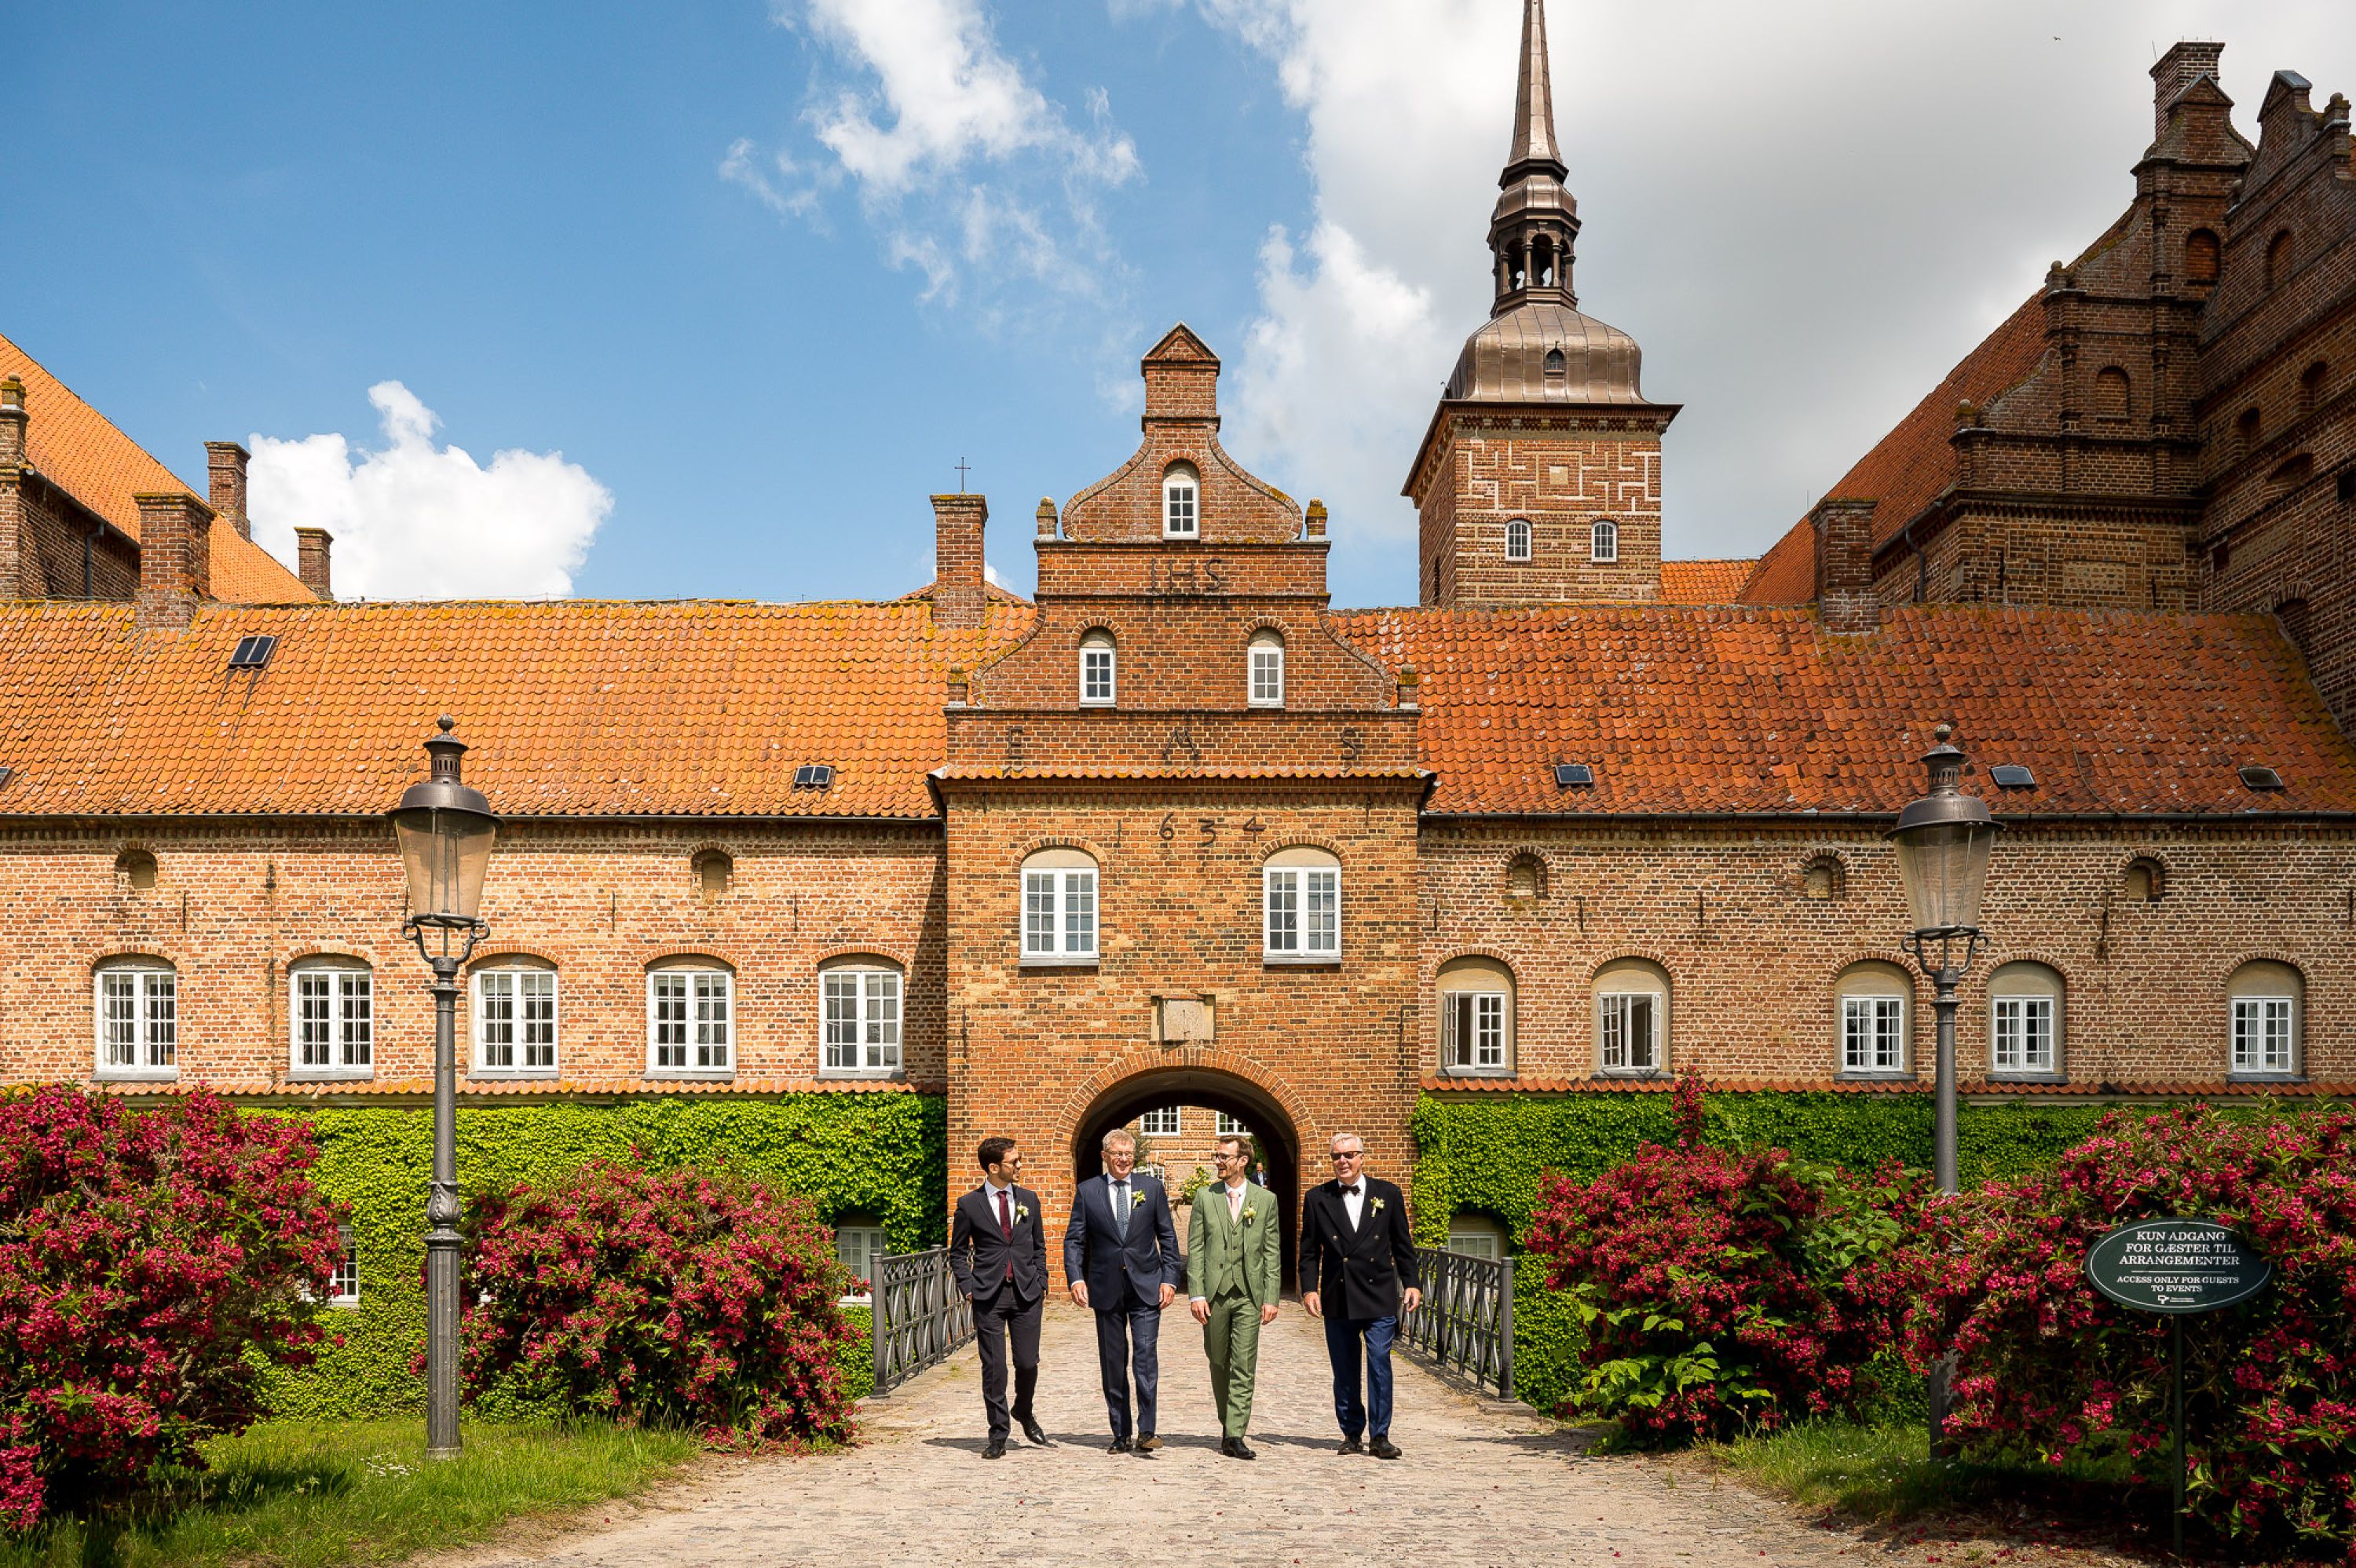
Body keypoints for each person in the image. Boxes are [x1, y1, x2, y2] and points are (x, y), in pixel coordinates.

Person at [1301, 1130, 1421, 1459]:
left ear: (1362, 1157)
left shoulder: (1389, 1194)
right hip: (1338, 1296)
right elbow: (1309, 1251)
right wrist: (1310, 1288)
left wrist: (1412, 1283)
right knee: (1345, 1367)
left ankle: (1380, 1435)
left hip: (1378, 1293)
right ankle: (1352, 1433)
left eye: (1349, 1155)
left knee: (1380, 1362)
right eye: (1336, 1156)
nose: (1342, 1161)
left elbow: (1403, 1245)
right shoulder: (1317, 1198)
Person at [1063, 1127, 1183, 1456]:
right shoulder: (1088, 1192)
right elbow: (1075, 1239)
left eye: (1128, 1154)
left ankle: (1147, 1430)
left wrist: (1169, 1279)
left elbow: (1168, 1238)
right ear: (1105, 1157)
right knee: (1113, 1363)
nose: (1123, 1160)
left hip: (1146, 1287)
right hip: (1105, 1288)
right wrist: (1076, 1278)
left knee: (1145, 1360)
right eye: (1117, 1154)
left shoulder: (1151, 1188)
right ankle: (1120, 1431)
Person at [947, 1135, 1050, 1459]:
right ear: (994, 1167)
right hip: (988, 1295)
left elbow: (1039, 1246)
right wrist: (968, 1287)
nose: (1020, 1165)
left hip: (1026, 1293)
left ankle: (1023, 1408)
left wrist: (1042, 1280)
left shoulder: (1030, 1200)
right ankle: (998, 1434)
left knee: (1027, 1363)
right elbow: (957, 1253)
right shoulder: (969, 1205)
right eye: (1014, 1161)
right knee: (994, 1368)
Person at [1187, 1133, 1283, 1459]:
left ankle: (1234, 1433)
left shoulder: (1265, 1200)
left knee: (1243, 1363)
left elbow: (1272, 1252)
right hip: (1214, 1293)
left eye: (1224, 1157)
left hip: (1249, 1294)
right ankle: (1226, 1420)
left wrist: (1271, 1296)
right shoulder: (1205, 1197)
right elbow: (1196, 1249)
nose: (1218, 1162)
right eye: (1217, 1156)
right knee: (1218, 1360)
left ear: (1243, 1161)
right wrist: (1196, 1293)